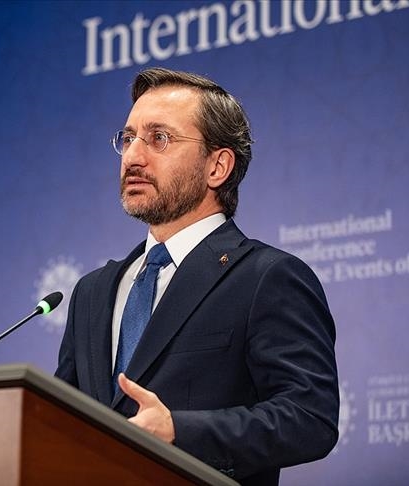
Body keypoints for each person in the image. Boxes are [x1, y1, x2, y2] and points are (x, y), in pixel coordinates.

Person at [55, 67, 339, 486]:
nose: (133, 157)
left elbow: (309, 418)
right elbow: (59, 424)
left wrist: (179, 432)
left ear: (217, 166)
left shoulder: (266, 277)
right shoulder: (92, 293)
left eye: (159, 138)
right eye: (128, 139)